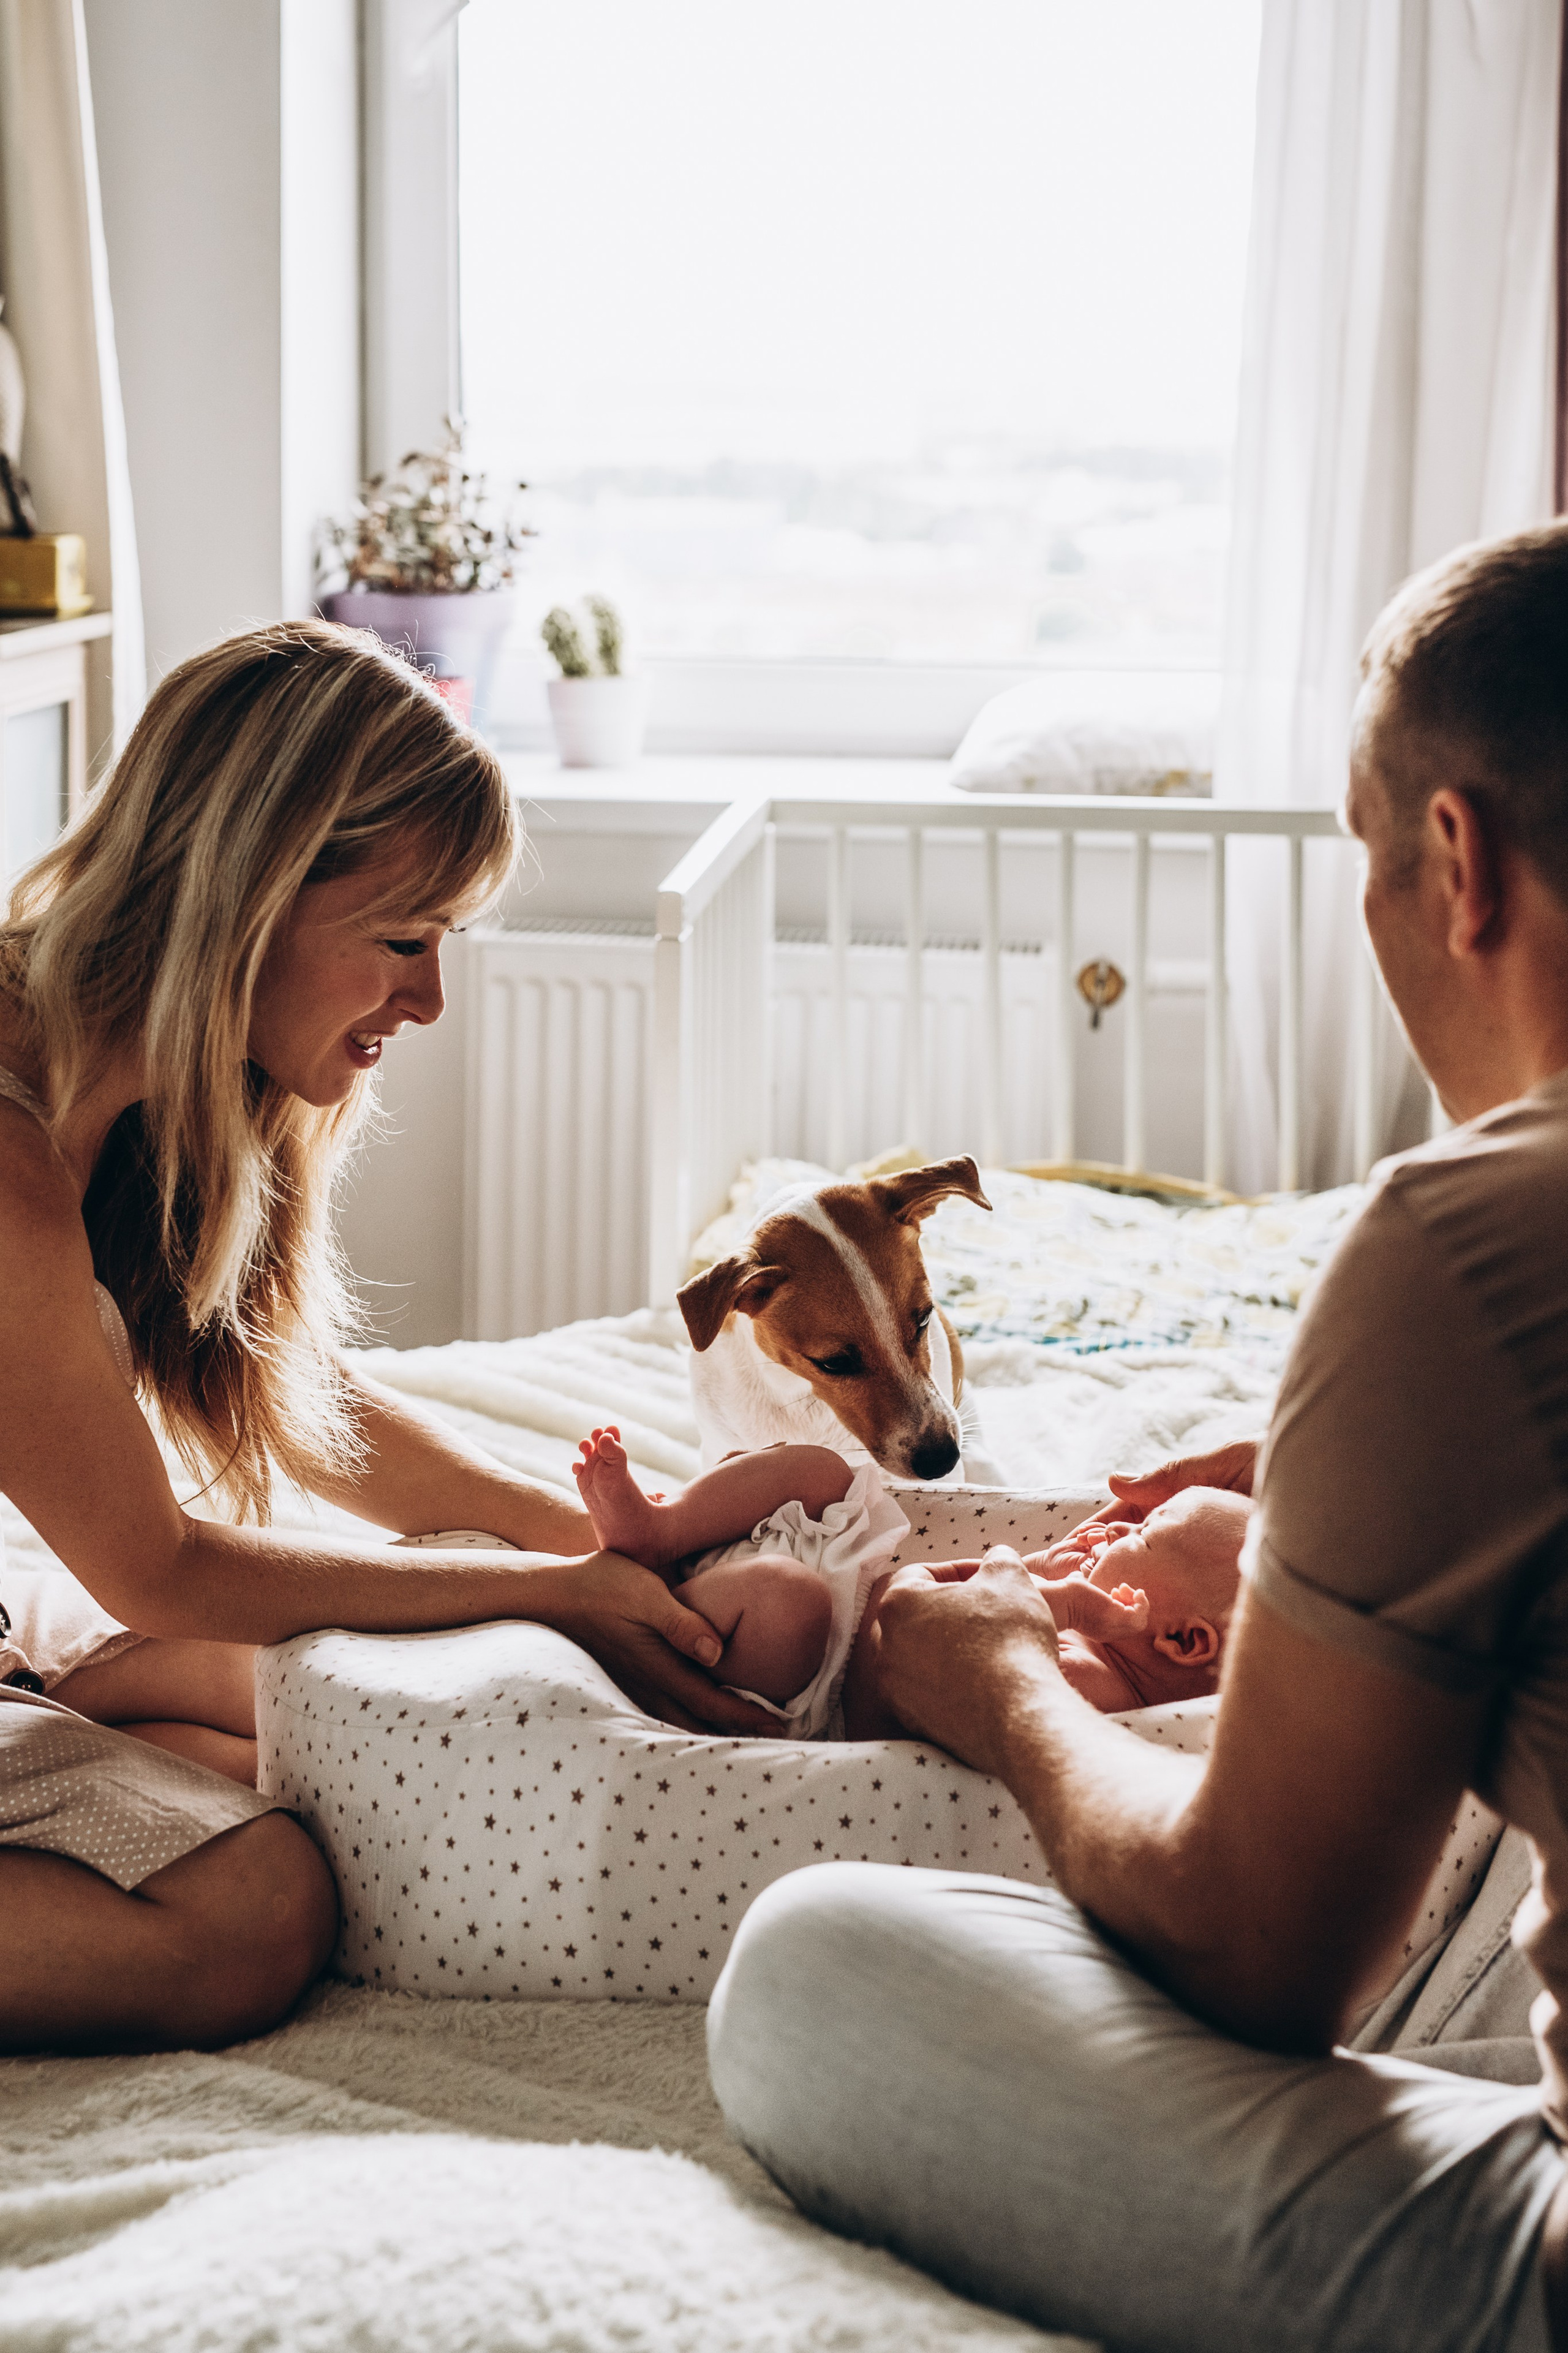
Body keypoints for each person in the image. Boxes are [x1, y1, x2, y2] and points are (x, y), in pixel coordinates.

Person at [707, 519, 1568, 2353]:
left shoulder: (1461, 1238)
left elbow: (1261, 1951)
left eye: (1351, 852)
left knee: (808, 1962)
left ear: (1452, 858)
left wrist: (1007, 1678)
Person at [0, 621, 778, 2058]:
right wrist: (555, 1591)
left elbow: (296, 1400)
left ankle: (53, 1691)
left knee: (339, 1740)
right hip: (87, 1603)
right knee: (264, 1904)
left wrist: (592, 1542)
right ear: (246, 897)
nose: (426, 1000)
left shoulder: (153, 1099)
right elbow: (153, 1564)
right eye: (404, 941)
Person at [573, 1424, 1244, 1731]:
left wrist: (1055, 1601)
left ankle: (658, 1599)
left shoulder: (1102, 1696)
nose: (1117, 1525)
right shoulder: (1092, 1632)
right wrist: (1034, 1569)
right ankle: (664, 1533)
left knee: (788, 1600)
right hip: (856, 1594)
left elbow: (975, 1657)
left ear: (1183, 1641)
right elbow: (956, 1587)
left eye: (1143, 1535)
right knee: (823, 1473)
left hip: (814, 1686)